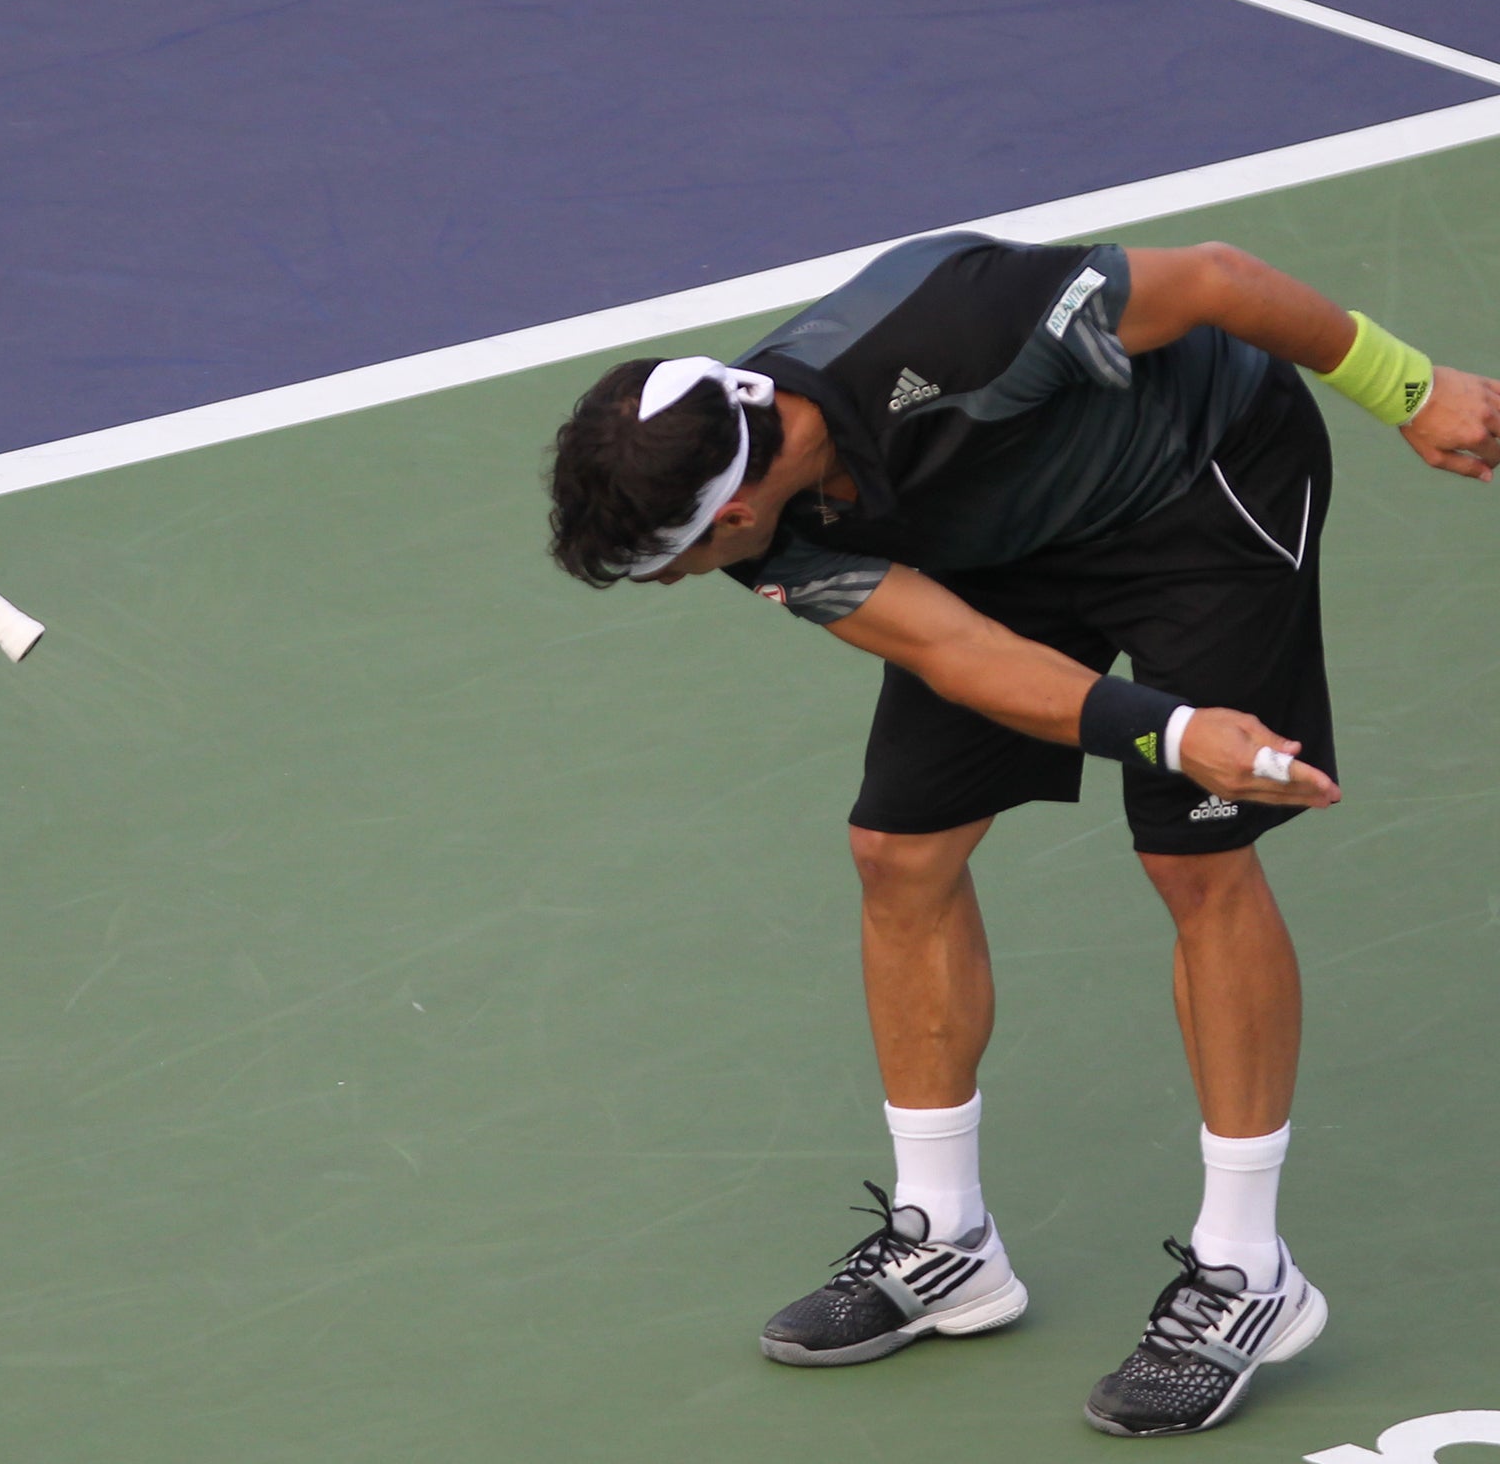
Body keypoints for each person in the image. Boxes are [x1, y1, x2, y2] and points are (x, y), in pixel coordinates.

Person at [544, 233, 1500, 1437]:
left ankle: (1246, 1270)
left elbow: (1212, 278)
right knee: (899, 851)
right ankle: (945, 1241)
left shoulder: (960, 326)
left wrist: (1406, 388)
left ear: (728, 510)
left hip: (1199, 485)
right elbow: (956, 651)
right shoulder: (759, 521)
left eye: (670, 567)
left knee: (1193, 860)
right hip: (997, 552)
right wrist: (1168, 730)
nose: (675, 583)